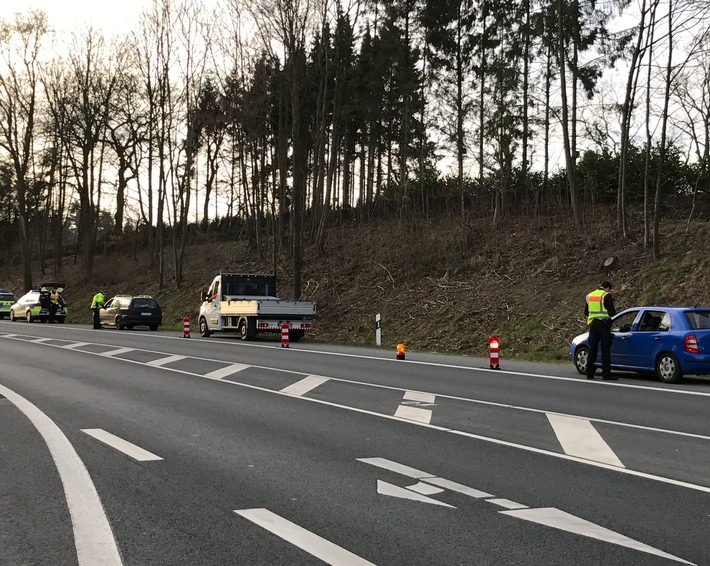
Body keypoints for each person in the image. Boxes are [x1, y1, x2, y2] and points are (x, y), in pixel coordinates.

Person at [584, 281, 617, 380]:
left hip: (593, 325)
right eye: (609, 290)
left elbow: (586, 312)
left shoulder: (589, 295)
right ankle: (606, 374)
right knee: (605, 349)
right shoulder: (606, 295)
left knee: (592, 349)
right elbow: (612, 312)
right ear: (607, 288)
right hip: (603, 325)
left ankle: (589, 373)